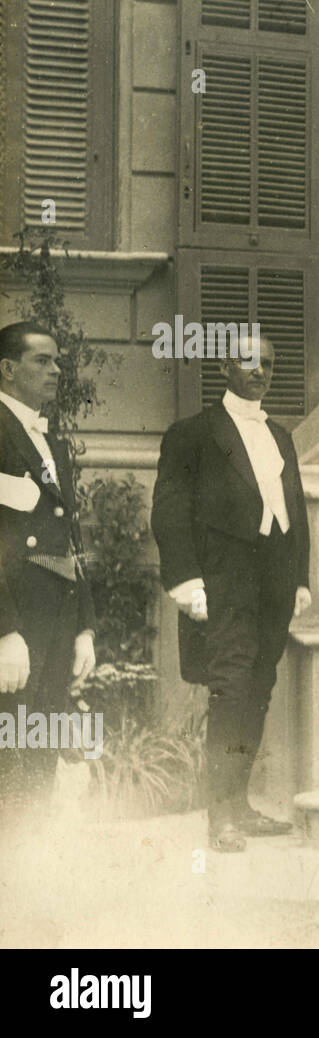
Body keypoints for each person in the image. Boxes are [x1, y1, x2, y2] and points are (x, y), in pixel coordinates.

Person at [151, 336, 311, 853]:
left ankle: (239, 803)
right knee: (230, 689)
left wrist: (301, 577)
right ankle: (219, 816)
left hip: (274, 583)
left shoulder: (281, 436)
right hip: (223, 582)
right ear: (226, 365)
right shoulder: (192, 435)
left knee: (259, 689)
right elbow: (169, 511)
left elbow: (296, 509)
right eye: (248, 361)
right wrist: (185, 580)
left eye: (267, 361)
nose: (259, 370)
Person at [0, 322, 96, 820]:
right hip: (15, 621)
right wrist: (6, 631)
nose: (56, 370)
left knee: (40, 744)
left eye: (57, 361)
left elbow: (70, 540)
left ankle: (28, 870)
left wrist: (84, 626)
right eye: (42, 360)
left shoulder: (51, 443)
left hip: (55, 619)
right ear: (8, 369)